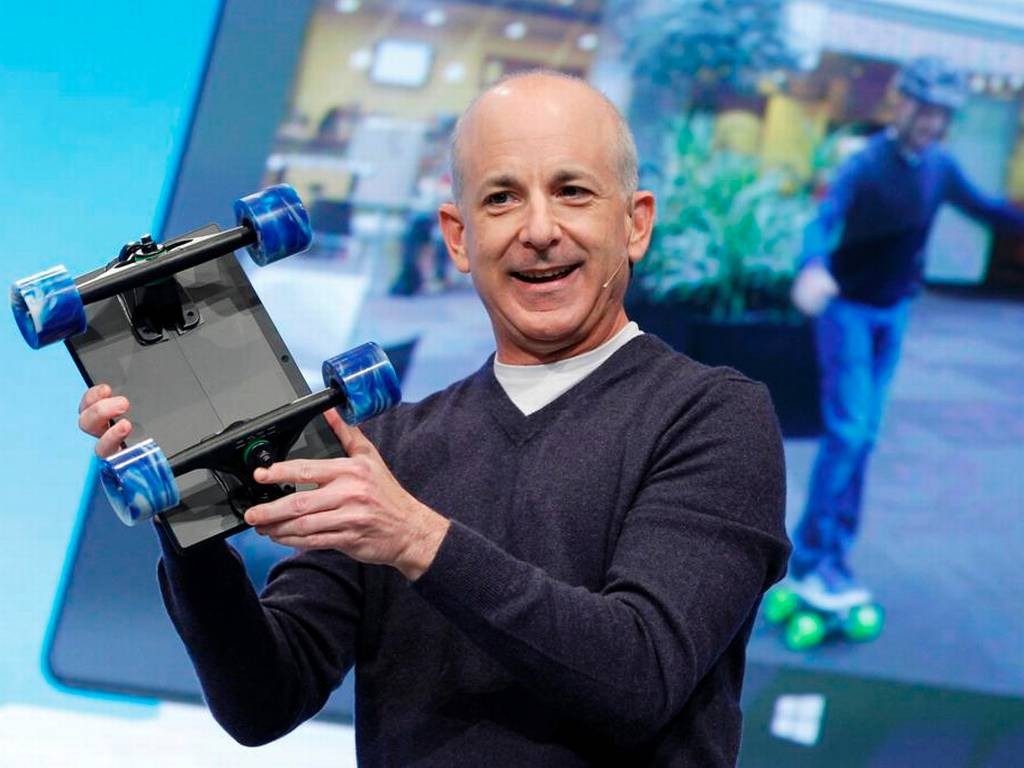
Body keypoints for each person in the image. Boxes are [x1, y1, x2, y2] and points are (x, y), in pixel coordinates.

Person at [78, 71, 788, 766]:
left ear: (635, 223)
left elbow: (640, 676)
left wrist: (416, 539)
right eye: (502, 198)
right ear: (457, 237)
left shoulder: (714, 418)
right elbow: (263, 701)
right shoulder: (388, 449)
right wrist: (187, 508)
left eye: (572, 191)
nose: (540, 230)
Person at [789, 57, 1024, 609]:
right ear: (904, 105)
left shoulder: (939, 166)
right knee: (848, 434)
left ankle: (835, 558)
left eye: (943, 115)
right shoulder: (865, 164)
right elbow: (823, 220)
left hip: (892, 312)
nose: (932, 123)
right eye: (926, 111)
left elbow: (989, 209)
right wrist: (812, 265)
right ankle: (809, 562)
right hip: (847, 311)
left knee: (865, 439)